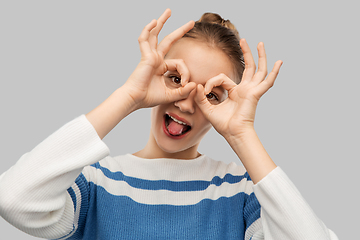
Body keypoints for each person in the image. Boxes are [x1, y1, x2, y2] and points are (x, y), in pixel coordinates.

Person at [0, 9, 338, 240]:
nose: (186, 103)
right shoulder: (97, 184)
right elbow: (14, 200)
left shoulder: (240, 192)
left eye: (212, 96)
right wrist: (129, 96)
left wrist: (242, 132)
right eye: (175, 79)